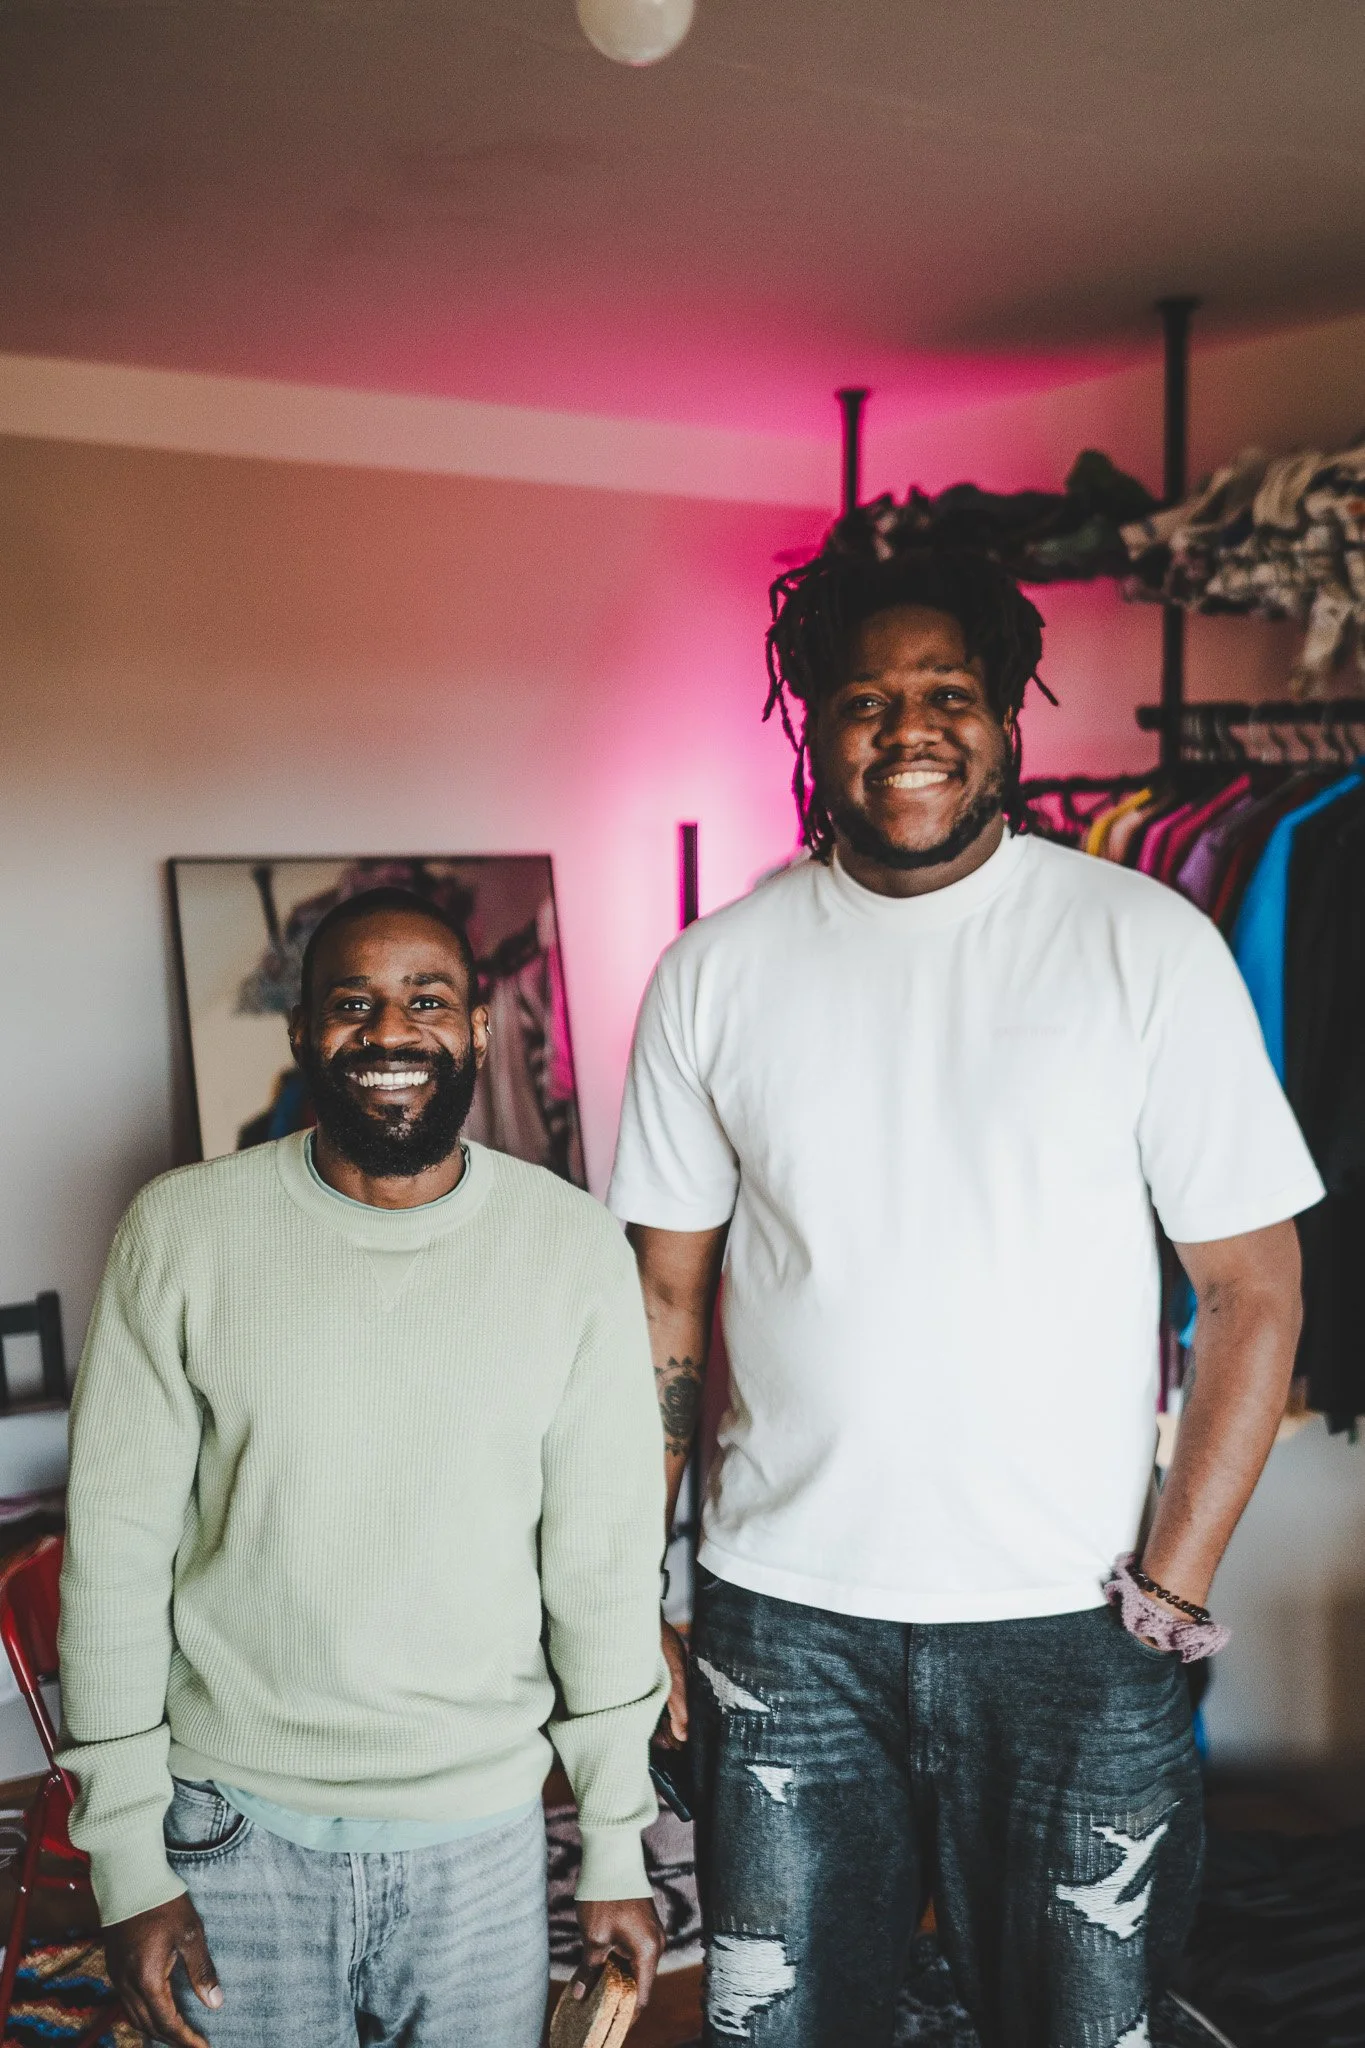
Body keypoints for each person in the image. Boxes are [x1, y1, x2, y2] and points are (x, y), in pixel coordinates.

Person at [608, 547, 1324, 2048]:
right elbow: (664, 1299)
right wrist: (632, 1589)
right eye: (865, 700)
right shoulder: (711, 975)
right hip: (784, 1627)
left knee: (1084, 2026)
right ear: (813, 724)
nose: (908, 728)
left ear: (1007, 716)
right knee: (781, 2027)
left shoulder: (1143, 946)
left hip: (1080, 1626)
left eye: (948, 692)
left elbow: (1255, 1289)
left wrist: (1172, 1592)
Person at [59, 887, 667, 2048]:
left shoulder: (570, 1243)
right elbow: (115, 1565)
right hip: (234, 1831)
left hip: (482, 1840)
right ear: (301, 1034)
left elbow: (599, 1566)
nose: (392, 1033)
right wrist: (129, 1861)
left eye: (428, 999)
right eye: (353, 1002)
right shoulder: (181, 1231)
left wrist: (614, 1842)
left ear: (479, 1030)